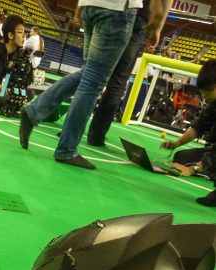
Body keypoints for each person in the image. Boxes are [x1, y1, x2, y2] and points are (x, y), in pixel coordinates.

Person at [19, 0, 145, 169]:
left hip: (91, 5)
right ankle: (66, 149)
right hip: (117, 10)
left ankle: (34, 111)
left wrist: (80, 4)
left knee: (88, 73)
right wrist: (159, 18)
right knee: (93, 80)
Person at [87, 0, 172, 147]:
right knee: (118, 79)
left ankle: (71, 130)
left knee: (93, 72)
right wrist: (158, 27)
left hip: (117, 8)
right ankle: (96, 136)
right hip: (140, 16)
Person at [160, 58, 216, 206]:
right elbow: (198, 128)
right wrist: (175, 144)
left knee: (208, 161)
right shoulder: (213, 105)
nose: (203, 95)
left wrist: (193, 169)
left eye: (206, 91)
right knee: (181, 157)